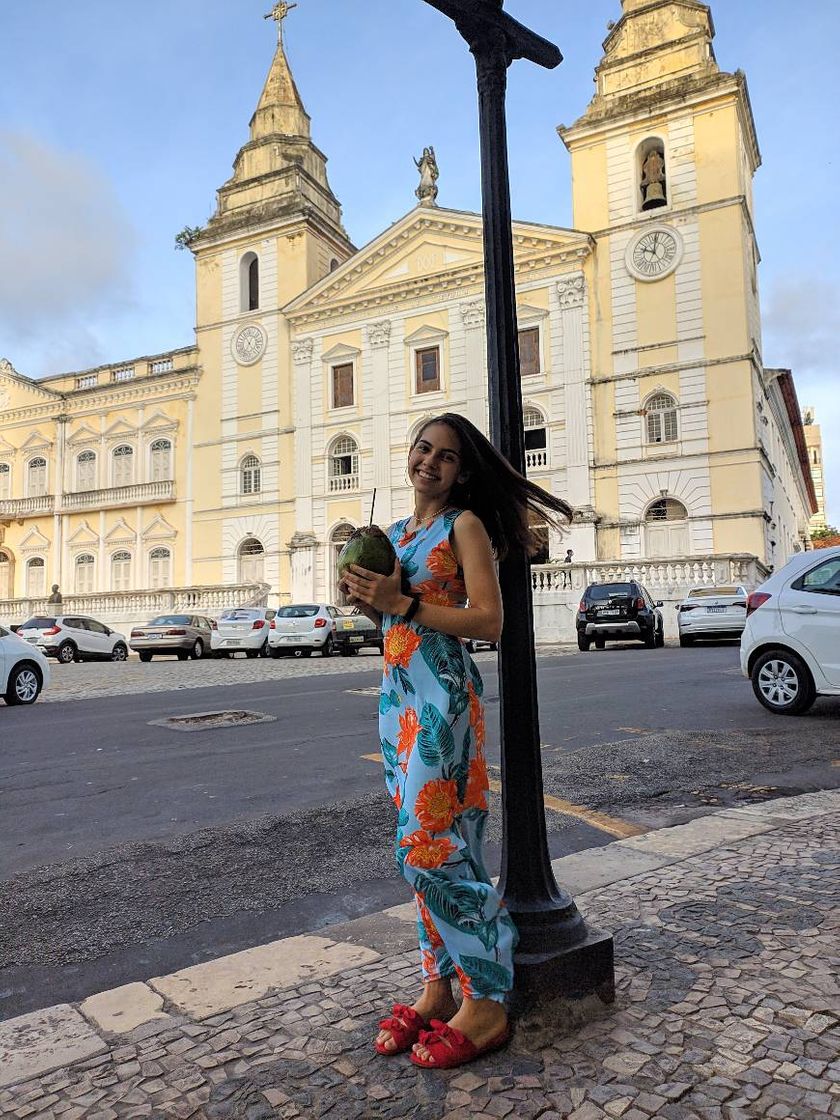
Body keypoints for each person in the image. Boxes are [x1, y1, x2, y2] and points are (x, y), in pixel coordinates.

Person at [340, 413, 571, 1069]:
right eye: (422, 449)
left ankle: (489, 994)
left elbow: (488, 620)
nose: (430, 462)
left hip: (441, 695)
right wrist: (366, 597)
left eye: (446, 456)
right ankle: (438, 987)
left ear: (462, 471)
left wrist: (402, 602)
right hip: (397, 701)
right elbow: (384, 608)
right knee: (444, 845)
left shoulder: (462, 526)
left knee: (428, 847)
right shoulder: (393, 535)